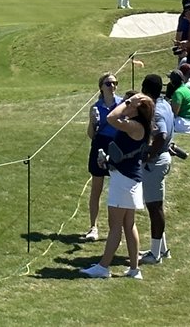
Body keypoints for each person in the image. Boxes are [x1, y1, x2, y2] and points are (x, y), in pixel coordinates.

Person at [80, 93, 154, 279]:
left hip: (124, 181)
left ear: (138, 109)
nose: (125, 104)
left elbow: (111, 118)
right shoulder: (137, 125)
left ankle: (103, 267)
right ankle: (134, 269)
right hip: (128, 179)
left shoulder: (135, 126)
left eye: (129, 104)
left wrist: (128, 103)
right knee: (129, 225)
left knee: (115, 225)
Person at [138, 74, 173, 266]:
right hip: (162, 159)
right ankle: (162, 248)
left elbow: (161, 134)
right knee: (156, 206)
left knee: (155, 208)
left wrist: (149, 154)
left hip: (156, 162)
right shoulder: (165, 104)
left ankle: (154, 254)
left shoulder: (157, 110)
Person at [83, 72, 122, 242]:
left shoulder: (122, 104)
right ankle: (93, 227)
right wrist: (92, 121)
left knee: (116, 190)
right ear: (101, 87)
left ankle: (116, 229)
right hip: (100, 144)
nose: (112, 87)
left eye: (114, 83)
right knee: (96, 188)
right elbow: (91, 134)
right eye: (108, 84)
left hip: (117, 146)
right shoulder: (95, 107)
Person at [165, 69, 190, 134]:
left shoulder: (178, 92)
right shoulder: (184, 89)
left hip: (188, 123)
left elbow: (174, 113)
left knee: (164, 123)